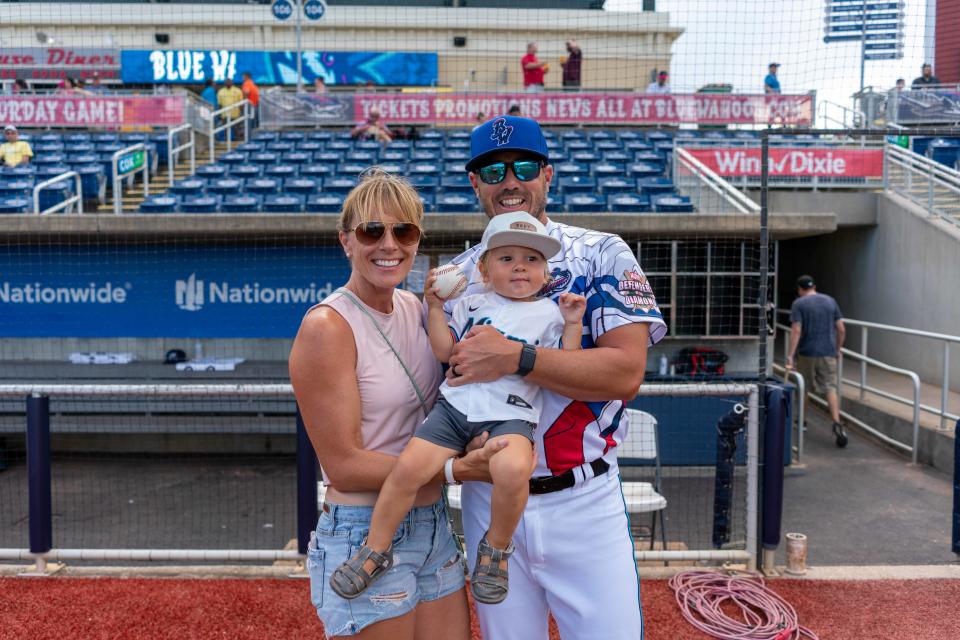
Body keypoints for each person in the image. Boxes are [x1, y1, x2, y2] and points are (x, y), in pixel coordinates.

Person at [439, 115, 667, 640]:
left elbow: (625, 372)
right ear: (475, 183)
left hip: (583, 500)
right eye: (493, 170)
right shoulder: (457, 277)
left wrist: (516, 357)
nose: (509, 181)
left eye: (523, 166)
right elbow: (443, 387)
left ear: (547, 175)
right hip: (490, 501)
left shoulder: (602, 252)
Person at [329, 211, 587, 606]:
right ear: (483, 268)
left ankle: (495, 550)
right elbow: (445, 351)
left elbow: (568, 368)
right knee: (406, 470)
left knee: (515, 469)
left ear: (546, 272)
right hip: (454, 409)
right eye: (506, 258)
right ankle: (375, 549)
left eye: (533, 259)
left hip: (510, 414)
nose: (520, 265)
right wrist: (434, 307)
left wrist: (572, 325)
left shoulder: (552, 313)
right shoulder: (470, 301)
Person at [291, 170, 503, 639]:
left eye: (403, 231)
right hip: (363, 528)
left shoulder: (416, 308)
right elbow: (344, 466)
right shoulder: (327, 326)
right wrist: (457, 470)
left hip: (432, 522)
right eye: (372, 231)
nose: (389, 244)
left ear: (417, 240)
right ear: (346, 241)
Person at [785, 275, 848, 448]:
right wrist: (838, 349)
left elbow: (796, 330)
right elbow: (841, 328)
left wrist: (790, 355)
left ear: (800, 289)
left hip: (807, 352)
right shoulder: (830, 301)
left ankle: (802, 422)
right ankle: (837, 423)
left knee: (804, 387)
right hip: (828, 352)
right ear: (814, 286)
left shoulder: (799, 304)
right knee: (830, 387)